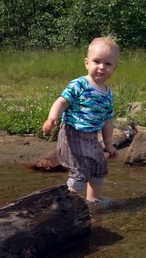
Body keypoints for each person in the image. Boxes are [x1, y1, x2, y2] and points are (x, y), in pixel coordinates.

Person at [42, 36, 119, 206]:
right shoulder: (80, 84)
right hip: (73, 134)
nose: (101, 67)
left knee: (99, 166)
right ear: (87, 63)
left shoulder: (108, 94)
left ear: (114, 67)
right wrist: (51, 118)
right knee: (79, 170)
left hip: (91, 137)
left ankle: (93, 200)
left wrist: (108, 143)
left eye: (107, 64)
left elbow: (108, 120)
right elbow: (62, 101)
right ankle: (70, 204)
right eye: (97, 61)